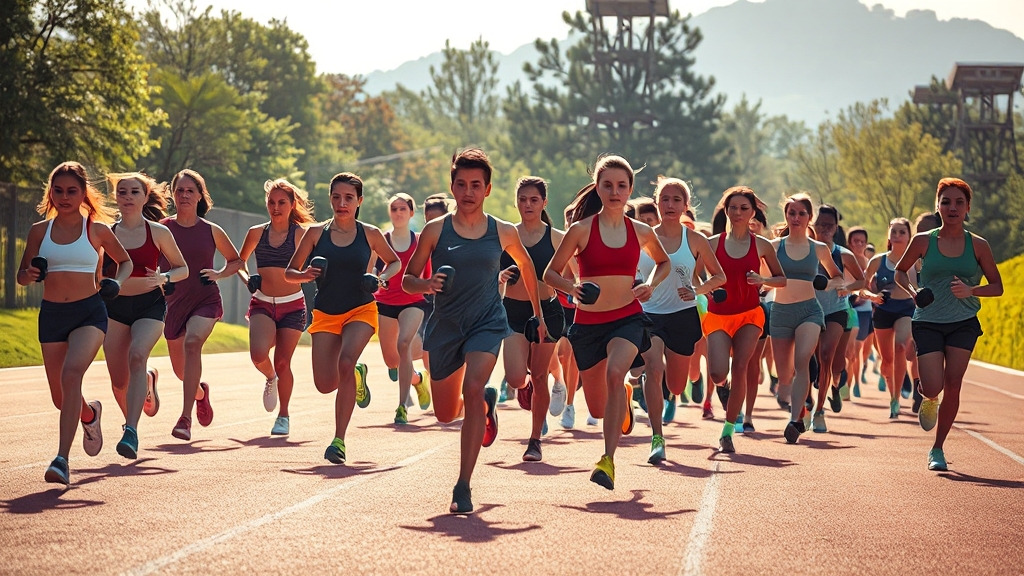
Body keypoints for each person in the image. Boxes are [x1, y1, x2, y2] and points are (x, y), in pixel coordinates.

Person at [403, 149, 546, 514]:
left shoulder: (502, 230)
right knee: (445, 414)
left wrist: (539, 314)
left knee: (473, 384)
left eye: (476, 185)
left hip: (487, 322)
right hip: (446, 326)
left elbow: (528, 269)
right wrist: (426, 284)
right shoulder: (436, 230)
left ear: (488, 189)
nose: (468, 191)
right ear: (452, 187)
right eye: (462, 184)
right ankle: (484, 405)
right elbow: (407, 280)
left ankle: (463, 485)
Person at [544, 155, 671, 490]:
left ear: (630, 190)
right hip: (588, 325)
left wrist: (651, 284)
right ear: (597, 188)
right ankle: (624, 397)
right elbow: (550, 273)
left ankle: (608, 460)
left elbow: (663, 263)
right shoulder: (581, 230)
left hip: (627, 318)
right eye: (608, 185)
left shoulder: (641, 230)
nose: (615, 191)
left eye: (622, 185)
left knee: (616, 372)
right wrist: (571, 287)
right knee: (599, 408)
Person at [18, 162, 133, 485]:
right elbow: (22, 276)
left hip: (89, 312)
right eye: (58, 191)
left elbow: (125, 262)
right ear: (50, 193)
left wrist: (117, 283)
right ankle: (89, 414)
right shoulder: (39, 231)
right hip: (52, 315)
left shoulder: (96, 229)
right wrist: (27, 276)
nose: (64, 197)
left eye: (72, 191)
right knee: (61, 397)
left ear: (83, 193)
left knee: (72, 375)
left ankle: (62, 460)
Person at [286, 172, 400, 462]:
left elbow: (394, 262)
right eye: (336, 197)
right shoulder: (315, 233)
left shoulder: (370, 233)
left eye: (349, 198)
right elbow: (290, 272)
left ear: (359, 201)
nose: (342, 203)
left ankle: (339, 441)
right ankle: (357, 375)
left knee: (346, 361)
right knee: (325, 384)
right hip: (325, 312)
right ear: (330, 199)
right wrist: (304, 275)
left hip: (361, 309)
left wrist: (381, 279)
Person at [896, 178, 1001, 471]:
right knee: (934, 386)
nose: (952, 208)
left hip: (963, 322)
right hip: (928, 321)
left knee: (954, 384)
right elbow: (900, 272)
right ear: (937, 206)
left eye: (958, 202)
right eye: (946, 202)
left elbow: (997, 286)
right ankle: (928, 396)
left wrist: (971, 291)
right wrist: (913, 292)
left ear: (967, 208)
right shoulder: (923, 241)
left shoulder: (978, 245)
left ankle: (937, 449)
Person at [639, 177, 726, 462]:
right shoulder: (643, 236)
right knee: (653, 368)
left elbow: (719, 276)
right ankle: (657, 437)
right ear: (657, 202)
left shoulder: (695, 240)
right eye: (665, 199)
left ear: (686, 206)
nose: (670, 205)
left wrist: (697, 290)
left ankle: (667, 388)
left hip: (682, 316)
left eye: (677, 200)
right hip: (649, 315)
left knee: (675, 386)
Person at [101, 173, 188, 458]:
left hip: (149, 306)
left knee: (137, 355)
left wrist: (163, 276)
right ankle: (142, 393)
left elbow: (182, 269)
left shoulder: (158, 232)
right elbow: (97, 273)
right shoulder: (106, 233)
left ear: (144, 196)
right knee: (118, 381)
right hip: (115, 309)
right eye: (122, 192)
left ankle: (131, 431)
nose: (127, 197)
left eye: (133, 192)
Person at [161, 169, 243, 441]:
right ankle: (199, 394)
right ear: (174, 195)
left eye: (190, 191)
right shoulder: (162, 228)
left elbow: (236, 261)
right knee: (180, 371)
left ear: (199, 196)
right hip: (174, 304)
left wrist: (219, 273)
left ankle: (184, 419)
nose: (184, 195)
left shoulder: (211, 230)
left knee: (193, 343)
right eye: (180, 190)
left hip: (205, 299)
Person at [705, 187, 786, 452]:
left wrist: (763, 281)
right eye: (733, 208)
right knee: (718, 371)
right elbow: (695, 277)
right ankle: (723, 385)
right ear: (725, 211)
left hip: (750, 314)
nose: (738, 213)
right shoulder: (713, 244)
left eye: (743, 208)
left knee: (741, 366)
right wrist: (706, 288)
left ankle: (728, 429)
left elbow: (781, 279)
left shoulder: (760, 244)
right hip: (718, 315)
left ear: (752, 212)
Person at [236, 179, 315, 436]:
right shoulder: (256, 232)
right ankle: (271, 378)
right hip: (262, 302)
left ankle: (284, 416)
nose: (276, 207)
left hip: (292, 306)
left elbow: (317, 267)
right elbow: (239, 262)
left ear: (293, 205)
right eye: (271, 202)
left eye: (282, 202)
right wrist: (249, 280)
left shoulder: (302, 234)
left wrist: (305, 276)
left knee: (283, 362)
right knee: (259, 355)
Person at [498, 177, 567, 461]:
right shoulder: (504, 235)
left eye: (534, 200)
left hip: (547, 312)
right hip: (513, 312)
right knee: (516, 378)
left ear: (544, 203)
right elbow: (489, 272)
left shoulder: (557, 238)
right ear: (516, 201)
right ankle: (526, 389)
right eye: (523, 199)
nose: (528, 204)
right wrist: (499, 277)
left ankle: (535, 439)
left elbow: (573, 275)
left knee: (539, 376)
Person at [769, 193, 843, 444]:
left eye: (802, 213)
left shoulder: (819, 248)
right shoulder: (774, 247)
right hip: (781, 313)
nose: (796, 217)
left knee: (803, 362)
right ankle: (799, 407)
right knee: (785, 375)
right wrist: (761, 284)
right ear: (786, 216)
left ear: (809, 217)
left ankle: (794, 420)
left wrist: (827, 283)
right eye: (792, 213)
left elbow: (837, 277)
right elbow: (762, 278)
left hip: (809, 311)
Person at [373, 192, 432, 425]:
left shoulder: (419, 240)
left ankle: (401, 407)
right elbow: (372, 271)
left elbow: (426, 273)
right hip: (385, 301)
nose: (398, 213)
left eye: (402, 209)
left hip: (413, 301)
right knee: (391, 360)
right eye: (394, 209)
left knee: (404, 344)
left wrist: (430, 288)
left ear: (410, 212)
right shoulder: (381, 239)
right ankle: (418, 379)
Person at [808, 205, 864, 432]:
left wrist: (847, 288)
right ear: (813, 224)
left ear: (835, 227)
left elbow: (861, 281)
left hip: (836, 311)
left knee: (830, 359)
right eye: (820, 224)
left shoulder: (843, 254)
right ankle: (807, 403)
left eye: (829, 225)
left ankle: (820, 410)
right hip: (809, 310)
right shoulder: (805, 250)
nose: (824, 229)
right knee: (810, 362)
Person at [861, 218, 916, 418]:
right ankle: (889, 385)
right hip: (883, 311)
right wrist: (873, 296)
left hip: (906, 310)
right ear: (889, 236)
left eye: (902, 232)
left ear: (910, 236)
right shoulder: (878, 261)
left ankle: (895, 399)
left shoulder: (916, 261)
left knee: (901, 346)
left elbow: (928, 283)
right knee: (887, 359)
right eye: (894, 232)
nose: (898, 236)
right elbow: (862, 288)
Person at [845, 226, 872, 399]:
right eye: (856, 241)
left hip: (864, 310)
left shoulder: (869, 263)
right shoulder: (843, 260)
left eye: (863, 242)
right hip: (846, 307)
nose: (859, 245)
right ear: (849, 243)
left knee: (857, 350)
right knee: (847, 351)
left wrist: (865, 297)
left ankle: (854, 382)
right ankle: (843, 383)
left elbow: (871, 286)